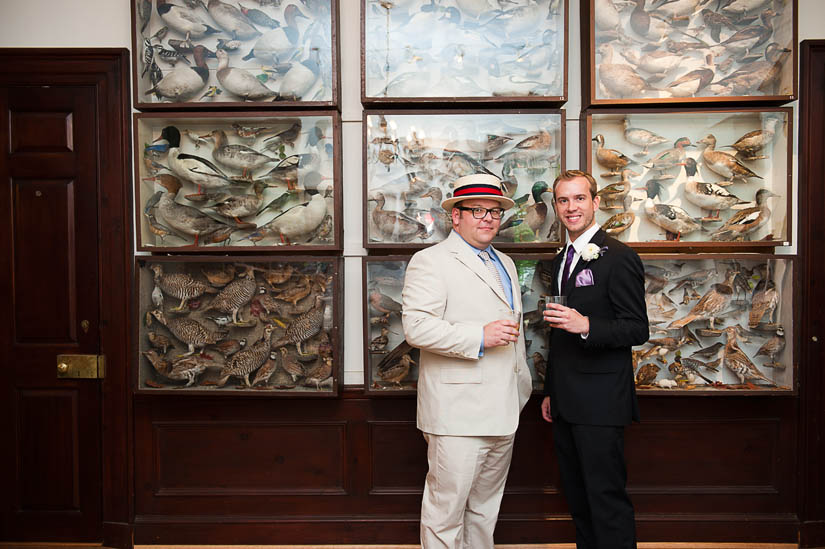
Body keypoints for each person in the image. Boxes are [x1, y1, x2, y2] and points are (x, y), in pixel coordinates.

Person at [401, 173, 533, 549]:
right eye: (477, 210)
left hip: (504, 407)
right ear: (454, 217)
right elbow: (417, 328)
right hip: (456, 414)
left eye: (495, 211)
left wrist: (520, 386)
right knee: (446, 513)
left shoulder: (505, 262)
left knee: (484, 511)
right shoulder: (431, 261)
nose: (488, 218)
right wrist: (479, 336)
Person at [540, 170, 648, 549]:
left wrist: (587, 324)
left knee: (606, 500)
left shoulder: (619, 257)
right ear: (555, 206)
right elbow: (558, 337)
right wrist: (552, 391)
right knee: (579, 500)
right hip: (566, 401)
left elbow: (637, 329)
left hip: (601, 403)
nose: (571, 207)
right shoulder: (561, 260)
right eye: (563, 200)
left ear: (596, 202)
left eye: (579, 198)